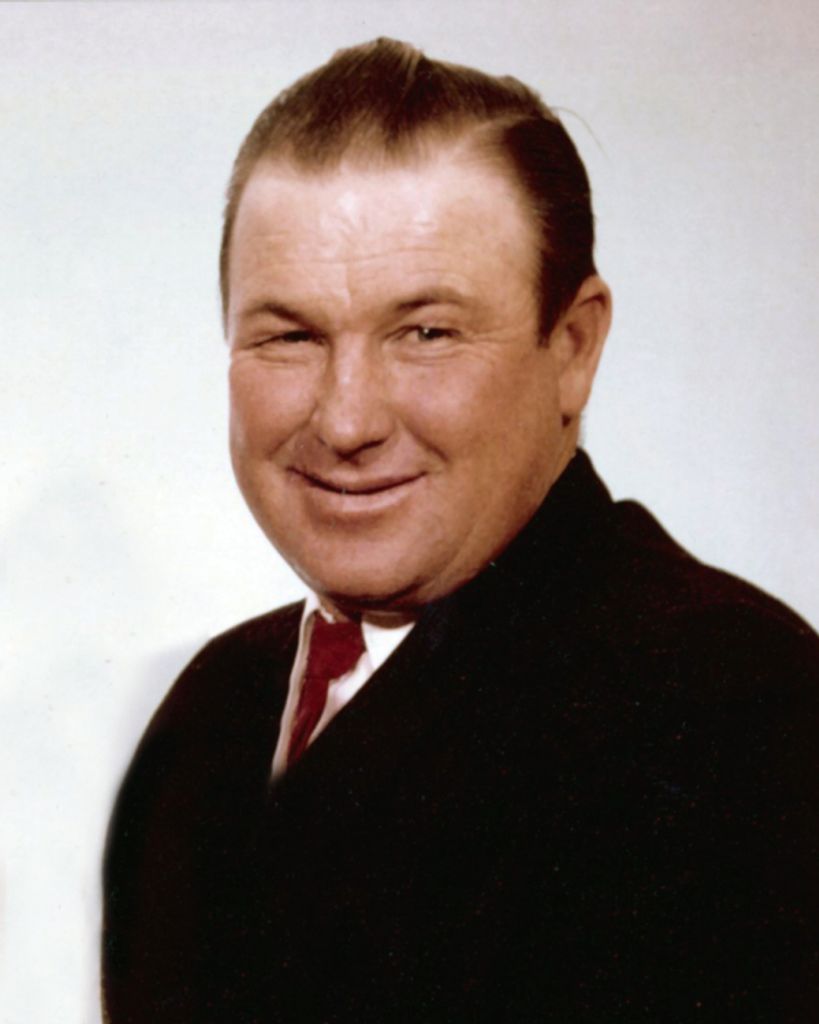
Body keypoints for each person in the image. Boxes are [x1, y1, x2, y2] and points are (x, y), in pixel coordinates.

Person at [101, 38, 819, 1023]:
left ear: (572, 348)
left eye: (426, 332)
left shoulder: (736, 716)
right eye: (290, 336)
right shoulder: (212, 715)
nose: (346, 420)